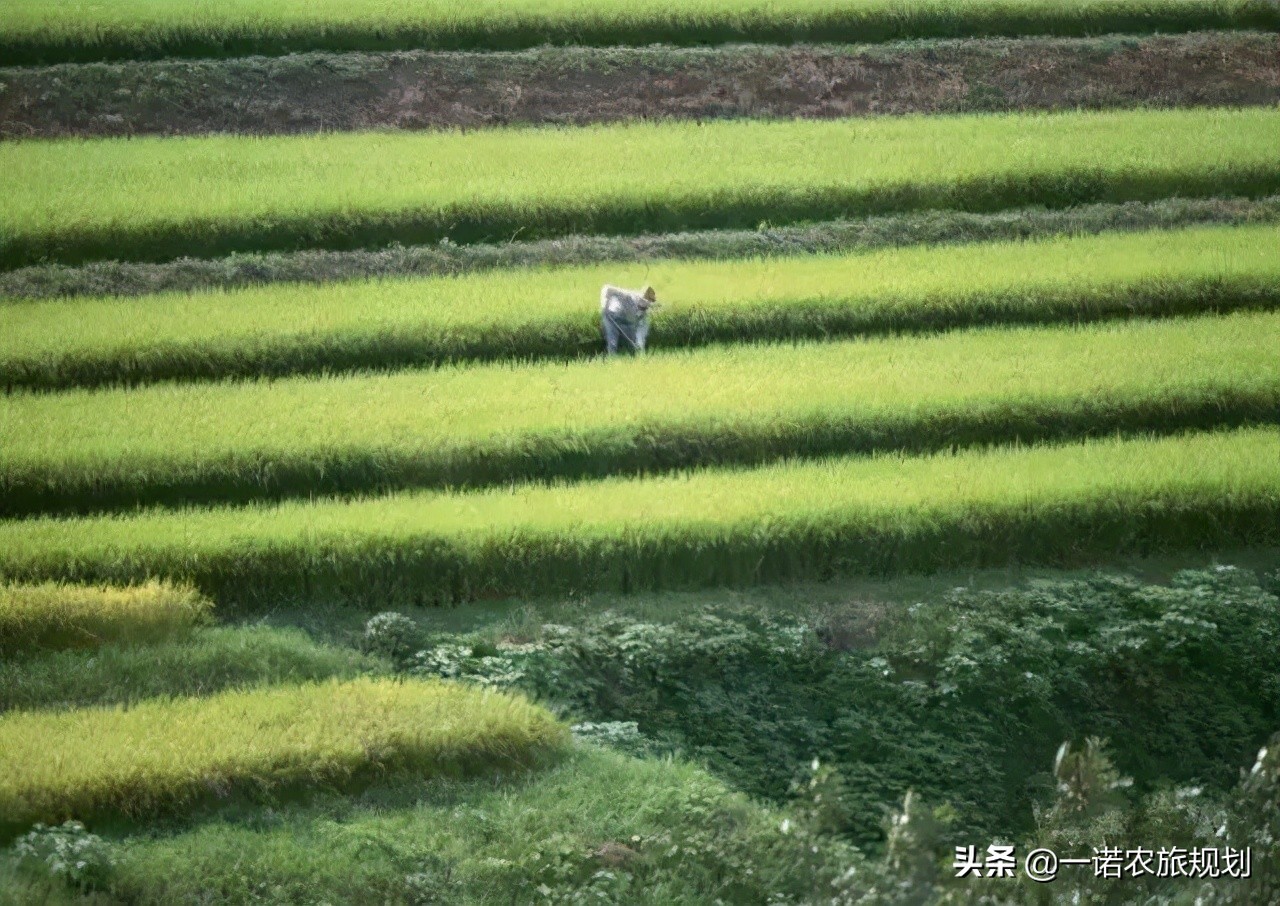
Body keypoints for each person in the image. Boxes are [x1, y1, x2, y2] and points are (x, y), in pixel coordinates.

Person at [600, 284, 658, 355]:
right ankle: (611, 361)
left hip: (625, 322)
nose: (648, 304)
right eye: (647, 300)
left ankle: (634, 362)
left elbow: (640, 326)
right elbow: (607, 288)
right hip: (611, 317)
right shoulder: (629, 296)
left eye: (650, 301)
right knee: (612, 344)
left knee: (633, 346)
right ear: (642, 297)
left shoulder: (644, 312)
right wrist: (605, 307)